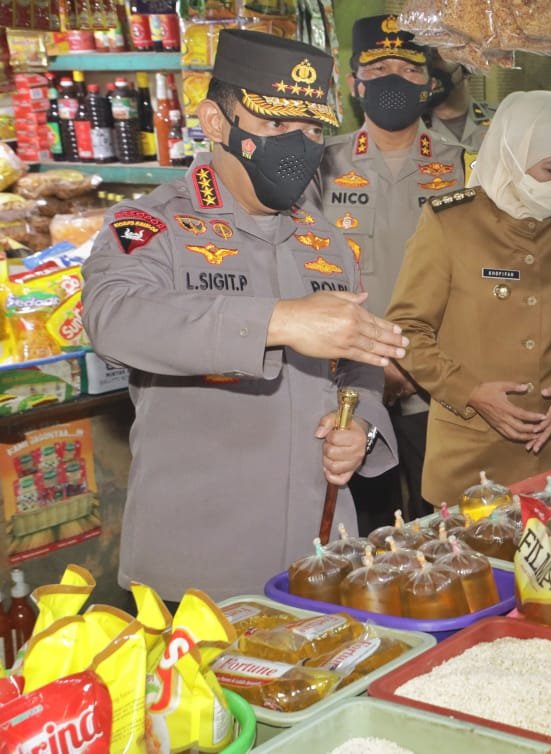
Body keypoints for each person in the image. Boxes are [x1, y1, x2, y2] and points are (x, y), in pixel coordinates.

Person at [82, 30, 406, 600]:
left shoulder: (327, 243)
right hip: (200, 569)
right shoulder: (153, 227)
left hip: (325, 552)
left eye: (311, 129)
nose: (298, 144)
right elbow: (115, 316)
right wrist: (277, 322)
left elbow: (361, 369)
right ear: (214, 122)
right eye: (276, 125)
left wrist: (361, 427)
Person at [387, 90, 551, 499]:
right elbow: (408, 329)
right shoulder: (450, 223)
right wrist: (469, 393)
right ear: (511, 155)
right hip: (469, 454)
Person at [309, 14, 454, 523]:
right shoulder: (318, 167)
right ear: (354, 83)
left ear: (430, 82)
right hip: (345, 390)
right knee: (365, 530)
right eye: (379, 66)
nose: (394, 78)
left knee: (446, 526)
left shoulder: (466, 167)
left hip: (438, 389)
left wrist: (413, 369)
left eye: (409, 68)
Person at [423, 51, 493, 182]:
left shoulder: (502, 120)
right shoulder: (411, 131)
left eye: (438, 57)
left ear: (467, 65)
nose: (431, 66)